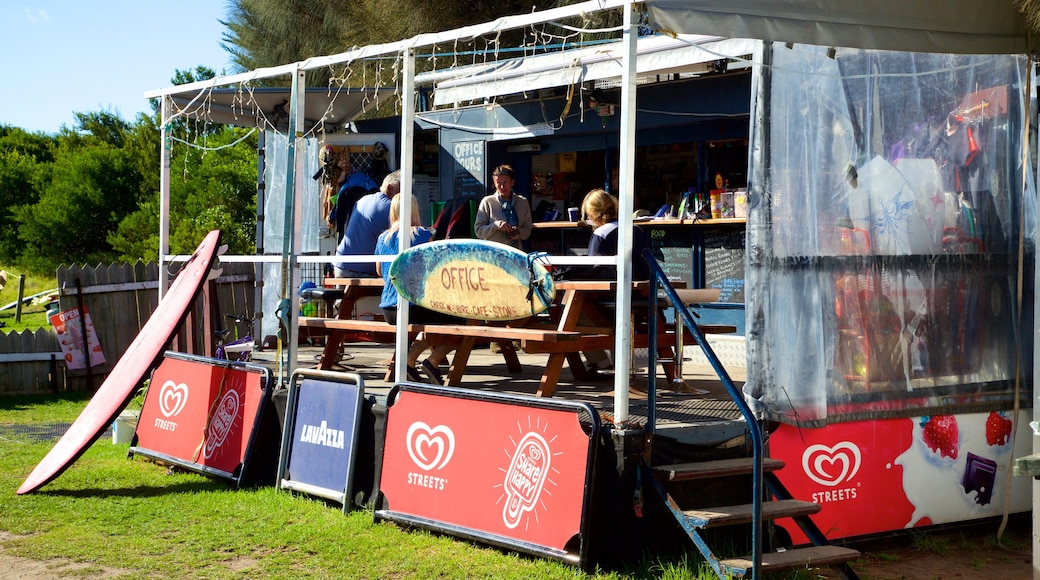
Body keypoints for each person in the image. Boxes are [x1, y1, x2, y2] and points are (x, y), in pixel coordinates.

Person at [565, 188, 652, 376]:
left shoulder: (601, 234)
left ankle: (601, 362)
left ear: (593, 214)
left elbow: (594, 271)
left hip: (614, 298)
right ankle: (612, 362)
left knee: (571, 309)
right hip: (642, 296)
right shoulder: (637, 229)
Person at [374, 193, 457, 384]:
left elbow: (379, 270)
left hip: (388, 308)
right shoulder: (422, 234)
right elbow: (434, 269)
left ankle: (410, 363)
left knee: (432, 322)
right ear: (414, 210)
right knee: (461, 323)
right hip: (411, 305)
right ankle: (429, 360)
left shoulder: (382, 238)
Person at [334, 170, 400, 277]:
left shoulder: (363, 200)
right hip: (361, 272)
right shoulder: (390, 208)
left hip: (340, 265)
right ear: (389, 188)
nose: (403, 199)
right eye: (401, 193)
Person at [474, 164, 533, 249]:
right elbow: (478, 231)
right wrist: (495, 225)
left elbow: (527, 230)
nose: (502, 186)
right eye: (498, 183)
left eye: (505, 182)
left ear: (512, 182)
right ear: (494, 184)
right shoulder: (487, 202)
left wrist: (518, 232)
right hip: (494, 254)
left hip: (515, 253)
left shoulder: (522, 202)